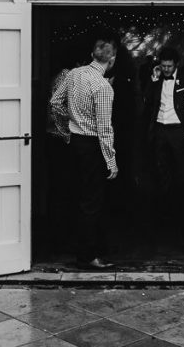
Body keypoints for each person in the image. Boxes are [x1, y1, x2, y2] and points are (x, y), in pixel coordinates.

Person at [50, 34, 119, 269]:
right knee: (92, 202)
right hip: (92, 146)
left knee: (77, 196)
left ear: (93, 55)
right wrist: (111, 160)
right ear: (112, 59)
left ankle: (79, 249)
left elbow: (55, 102)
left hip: (74, 143)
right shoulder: (103, 87)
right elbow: (104, 128)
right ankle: (89, 255)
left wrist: (69, 124)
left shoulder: (73, 74)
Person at [142, 47, 184, 229]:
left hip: (177, 130)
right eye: (163, 66)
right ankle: (164, 211)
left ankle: (180, 211)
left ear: (176, 64)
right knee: (161, 170)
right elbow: (148, 101)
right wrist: (154, 79)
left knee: (180, 171)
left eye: (169, 66)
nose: (166, 69)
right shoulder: (157, 79)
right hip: (159, 129)